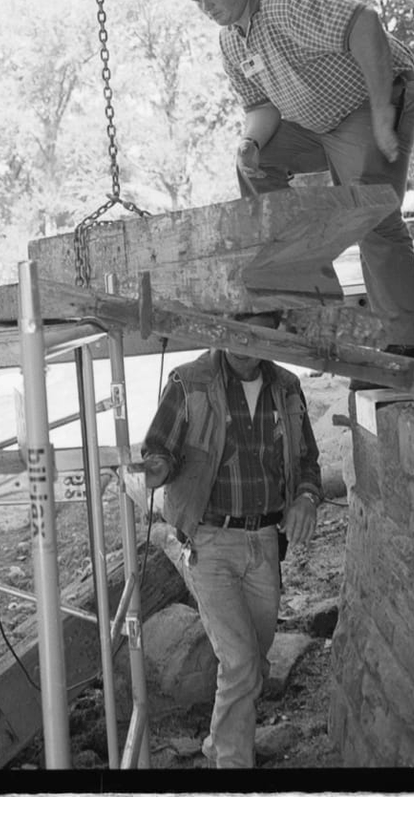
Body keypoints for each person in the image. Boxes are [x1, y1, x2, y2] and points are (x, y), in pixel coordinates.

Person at [177, 0, 414, 358]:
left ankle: (398, 346)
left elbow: (365, 23)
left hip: (368, 100)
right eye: (197, 2)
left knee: (371, 211)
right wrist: (250, 143)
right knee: (254, 164)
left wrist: (383, 113)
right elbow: (260, 108)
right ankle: (293, 291)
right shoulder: (230, 41)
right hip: (313, 124)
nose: (207, 8)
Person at [139, 313, 323, 769]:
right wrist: (156, 469)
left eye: (254, 329)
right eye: (232, 328)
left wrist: (305, 498)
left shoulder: (287, 388)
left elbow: (307, 464)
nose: (241, 341)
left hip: (264, 541)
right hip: (209, 542)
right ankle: (233, 769)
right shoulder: (190, 382)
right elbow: (156, 450)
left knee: (252, 665)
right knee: (241, 662)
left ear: (274, 329)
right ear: (218, 327)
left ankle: (217, 746)